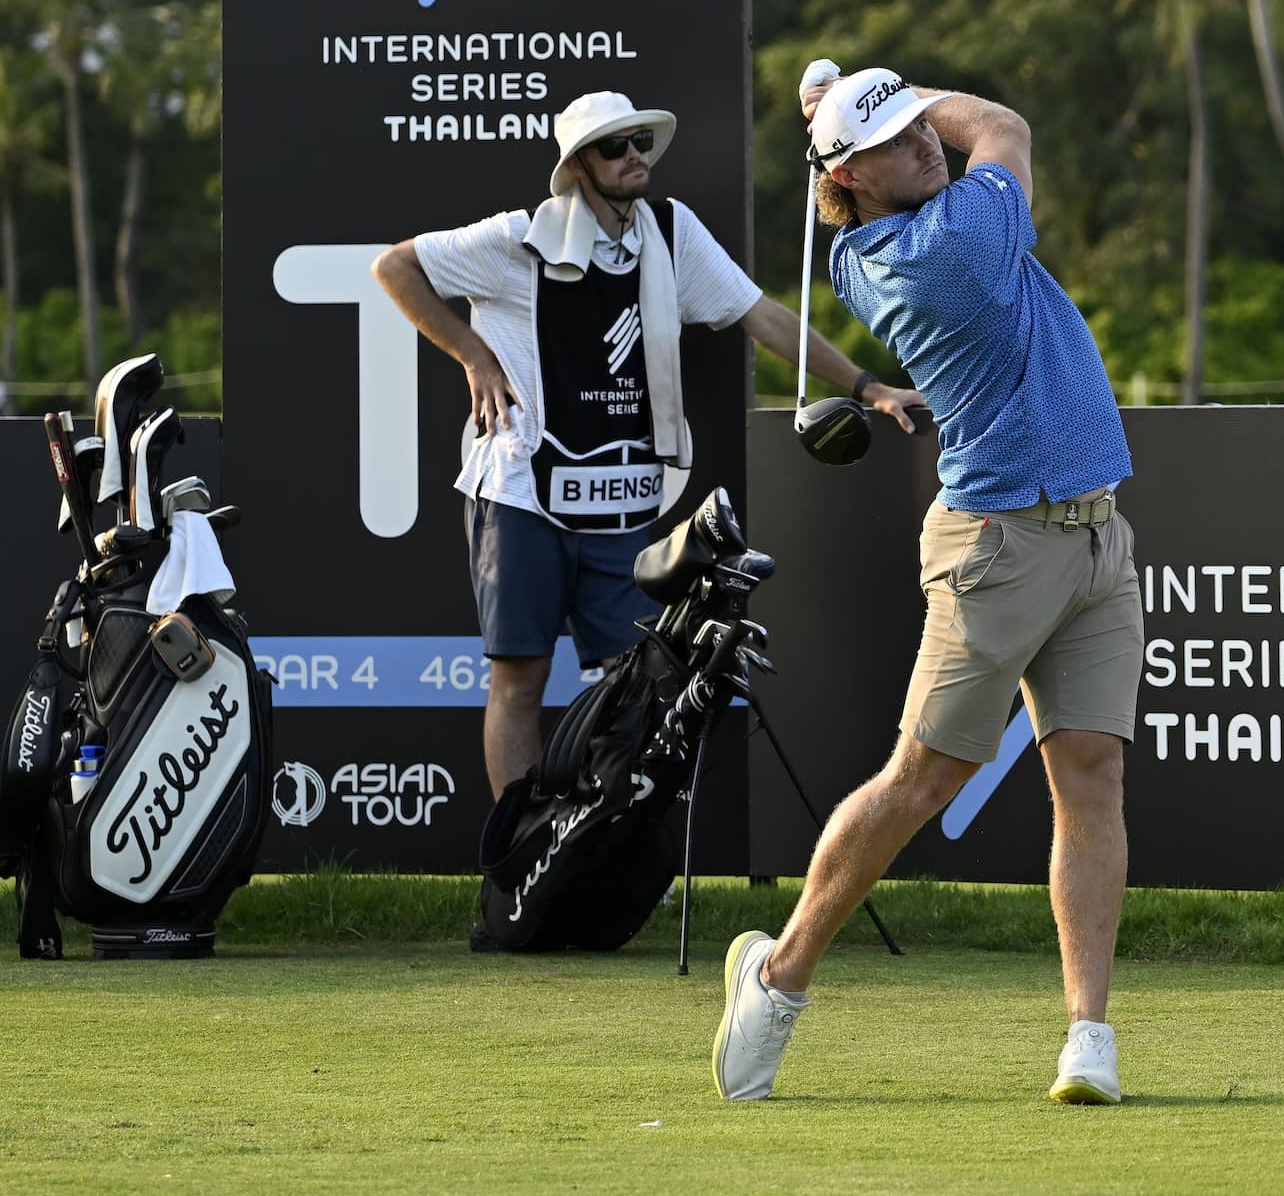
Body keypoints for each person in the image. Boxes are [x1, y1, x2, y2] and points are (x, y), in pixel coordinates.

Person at [711, 68, 1140, 1106]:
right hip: (997, 547)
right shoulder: (935, 252)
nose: (928, 145)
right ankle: (779, 975)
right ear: (852, 176)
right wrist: (900, 81)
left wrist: (867, 99)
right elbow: (1001, 121)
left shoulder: (916, 212)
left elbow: (947, 142)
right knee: (921, 781)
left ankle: (1089, 1032)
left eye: (920, 129)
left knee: (1090, 775)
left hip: (1095, 535)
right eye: (900, 141)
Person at [372, 90, 920, 813]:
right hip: (518, 492)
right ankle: (517, 860)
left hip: (622, 497)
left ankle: (601, 852)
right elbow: (395, 268)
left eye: (638, 141)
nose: (635, 155)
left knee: (630, 681)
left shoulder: (671, 232)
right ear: (578, 167)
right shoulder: (517, 238)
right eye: (614, 146)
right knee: (520, 679)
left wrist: (868, 385)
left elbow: (763, 316)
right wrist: (472, 354)